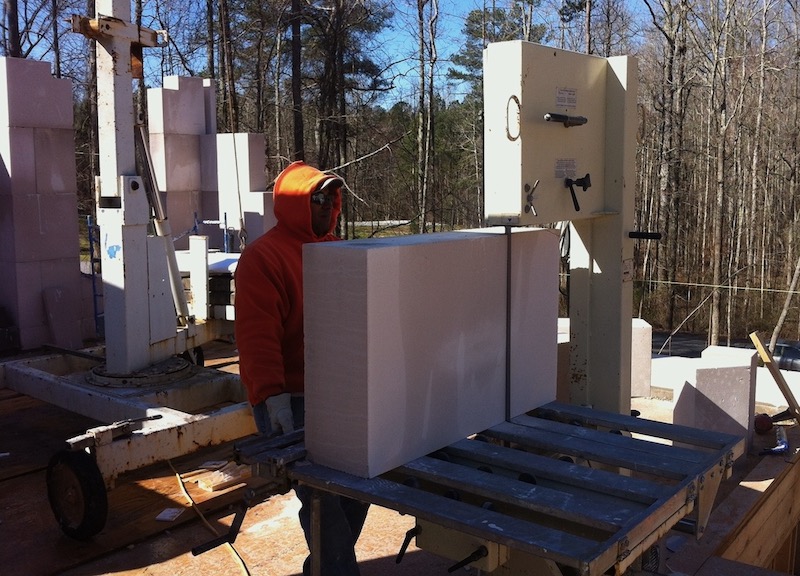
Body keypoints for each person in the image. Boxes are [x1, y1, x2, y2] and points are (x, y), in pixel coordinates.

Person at [234, 161, 370, 576]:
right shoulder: (263, 258)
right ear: (294, 204)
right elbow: (258, 340)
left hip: (335, 394)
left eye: (332, 197)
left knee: (360, 485)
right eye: (318, 198)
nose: (327, 206)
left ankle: (323, 567)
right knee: (322, 499)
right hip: (288, 400)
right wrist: (272, 400)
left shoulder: (339, 250)